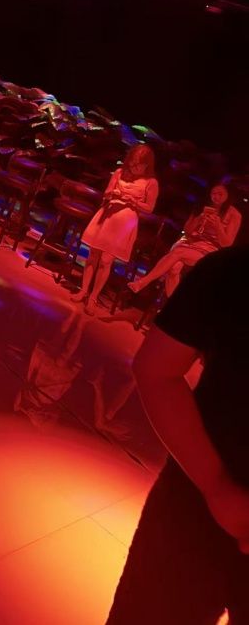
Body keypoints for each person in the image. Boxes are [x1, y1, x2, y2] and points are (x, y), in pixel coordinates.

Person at [106, 246, 249, 624]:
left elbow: (156, 370)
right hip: (197, 508)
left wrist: (217, 488)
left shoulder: (232, 269)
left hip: (197, 501)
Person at [71, 144, 158, 312]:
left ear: (146, 165)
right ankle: (83, 290)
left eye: (138, 165)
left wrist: (134, 202)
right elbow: (107, 192)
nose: (133, 167)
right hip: (107, 216)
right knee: (93, 255)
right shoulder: (119, 172)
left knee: (106, 260)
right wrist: (112, 194)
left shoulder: (151, 182)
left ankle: (94, 297)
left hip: (125, 222)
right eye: (132, 163)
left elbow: (150, 208)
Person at [128, 181, 241, 298]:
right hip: (189, 242)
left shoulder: (234, 214)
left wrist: (218, 225)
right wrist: (199, 218)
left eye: (220, 194)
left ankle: (143, 282)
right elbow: (187, 231)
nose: (216, 197)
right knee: (173, 269)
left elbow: (226, 244)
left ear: (228, 195)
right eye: (213, 193)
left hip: (209, 249)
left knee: (178, 252)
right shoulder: (202, 206)